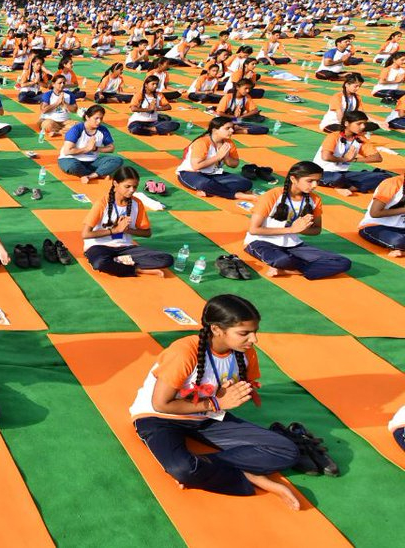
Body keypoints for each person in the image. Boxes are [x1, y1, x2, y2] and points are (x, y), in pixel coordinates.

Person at [130, 294, 301, 509]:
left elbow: (235, 390)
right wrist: (217, 403)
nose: (254, 339)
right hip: (160, 417)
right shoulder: (184, 352)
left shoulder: (245, 353)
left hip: (207, 417)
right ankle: (253, 477)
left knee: (287, 450)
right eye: (244, 333)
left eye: (255, 331)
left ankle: (205, 467)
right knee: (183, 469)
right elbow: (161, 404)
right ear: (217, 329)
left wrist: (234, 393)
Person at [244, 161, 351, 279]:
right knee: (281, 260)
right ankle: (299, 266)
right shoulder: (272, 195)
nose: (315, 185)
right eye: (310, 181)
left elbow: (316, 230)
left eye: (318, 181)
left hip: (293, 245)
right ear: (293, 179)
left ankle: (289, 271)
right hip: (261, 242)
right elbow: (254, 230)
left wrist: (301, 229)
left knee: (343, 262)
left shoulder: (315, 200)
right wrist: (292, 229)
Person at [80, 166, 174, 277]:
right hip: (99, 246)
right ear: (115, 184)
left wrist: (128, 230)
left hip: (125, 247)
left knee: (166, 259)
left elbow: (147, 233)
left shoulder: (137, 204)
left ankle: (118, 261)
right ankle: (137, 270)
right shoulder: (102, 203)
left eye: (135, 187)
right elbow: (85, 234)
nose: (132, 190)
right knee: (100, 263)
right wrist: (115, 230)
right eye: (127, 186)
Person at [313, 110, 393, 195]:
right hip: (323, 172)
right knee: (337, 178)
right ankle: (343, 186)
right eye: (359, 124)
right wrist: (345, 159)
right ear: (347, 123)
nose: (362, 127)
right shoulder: (334, 136)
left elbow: (377, 158)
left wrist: (354, 159)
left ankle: (351, 188)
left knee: (384, 176)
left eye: (364, 124)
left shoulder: (360, 139)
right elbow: (326, 157)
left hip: (342, 174)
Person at [177, 117, 259, 201]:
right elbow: (196, 166)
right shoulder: (202, 142)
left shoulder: (228, 142)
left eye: (232, 128)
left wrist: (226, 156)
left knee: (246, 183)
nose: (232, 131)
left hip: (213, 173)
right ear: (215, 130)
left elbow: (234, 164)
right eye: (227, 128)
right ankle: (237, 195)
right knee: (204, 184)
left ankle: (210, 191)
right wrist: (218, 157)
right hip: (191, 173)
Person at [58, 104, 122, 183]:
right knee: (72, 166)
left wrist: (96, 148)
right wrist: (87, 149)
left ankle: (90, 176)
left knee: (117, 160)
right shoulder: (76, 129)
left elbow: (111, 148)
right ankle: (99, 173)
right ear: (87, 117)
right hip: (71, 159)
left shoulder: (102, 130)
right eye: (96, 118)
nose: (99, 121)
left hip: (92, 161)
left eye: (101, 118)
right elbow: (67, 151)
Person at [359, 175, 405, 257]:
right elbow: (375, 213)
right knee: (398, 241)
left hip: (402, 227)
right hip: (378, 226)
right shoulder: (392, 183)